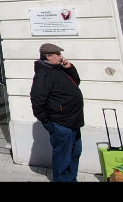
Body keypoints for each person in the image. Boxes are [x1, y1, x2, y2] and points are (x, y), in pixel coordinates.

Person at [30, 42, 84, 182]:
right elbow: (37, 99)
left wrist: (70, 68)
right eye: (58, 54)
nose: (61, 56)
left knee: (74, 153)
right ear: (48, 56)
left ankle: (71, 179)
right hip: (60, 122)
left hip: (73, 120)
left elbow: (76, 82)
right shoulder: (43, 73)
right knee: (62, 156)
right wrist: (47, 121)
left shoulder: (59, 69)